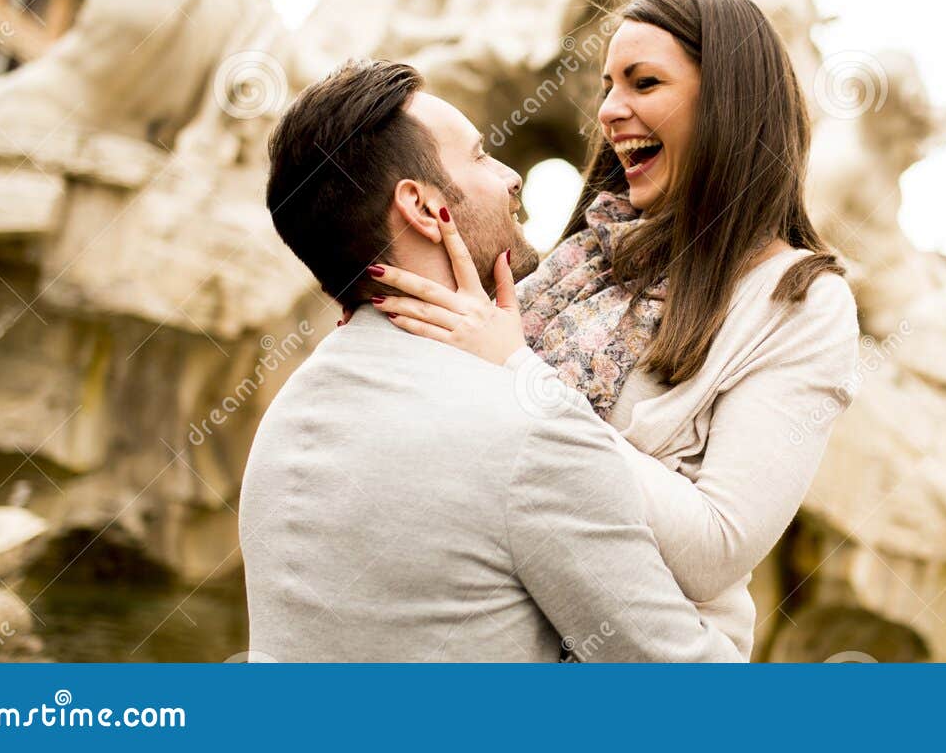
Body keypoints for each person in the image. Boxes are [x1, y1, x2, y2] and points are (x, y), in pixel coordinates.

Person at [366, 0, 861, 657]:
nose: (608, 110)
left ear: (729, 103)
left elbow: (716, 549)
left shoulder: (801, 302)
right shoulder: (582, 258)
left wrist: (519, 377)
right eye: (607, 87)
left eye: (644, 82)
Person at [239, 59, 741, 662]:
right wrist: (729, 609)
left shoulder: (286, 420)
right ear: (424, 207)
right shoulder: (532, 434)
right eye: (480, 156)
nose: (510, 176)